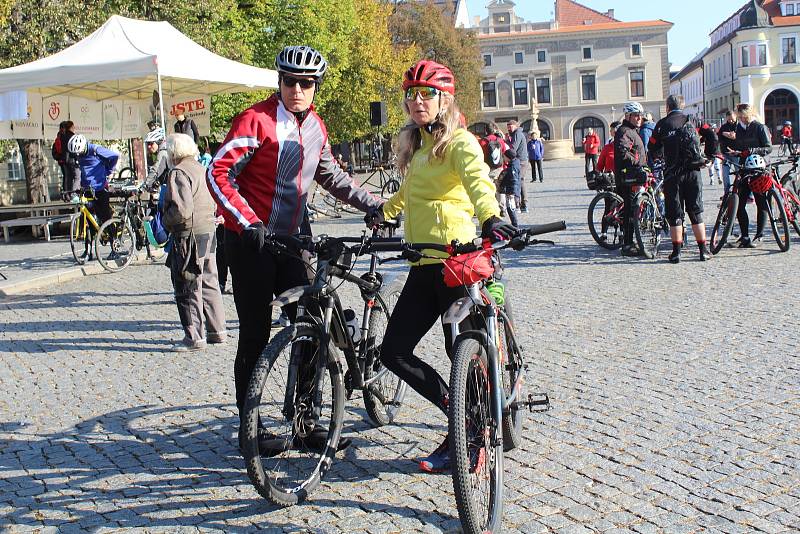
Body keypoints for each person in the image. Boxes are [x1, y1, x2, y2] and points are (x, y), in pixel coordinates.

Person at [208, 45, 383, 453]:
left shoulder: (316, 127)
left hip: (292, 242)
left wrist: (374, 205)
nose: (298, 89)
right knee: (254, 335)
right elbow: (217, 171)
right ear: (280, 82)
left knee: (313, 323)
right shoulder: (257, 120)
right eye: (290, 81)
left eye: (306, 83)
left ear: (315, 87)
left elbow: (331, 176)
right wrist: (246, 221)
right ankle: (249, 429)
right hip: (251, 242)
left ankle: (306, 423)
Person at [365, 59, 513, 473]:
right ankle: (457, 408)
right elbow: (411, 194)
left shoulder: (460, 142)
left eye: (426, 93)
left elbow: (478, 183)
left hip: (458, 262)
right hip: (424, 262)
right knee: (394, 351)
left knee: (460, 351)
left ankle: (471, 437)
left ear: (445, 98)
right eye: (410, 93)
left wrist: (491, 217)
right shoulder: (418, 145)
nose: (417, 101)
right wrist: (383, 211)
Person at [161, 133, 226, 352]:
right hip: (208, 230)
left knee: (188, 285)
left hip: (188, 235)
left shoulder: (179, 172)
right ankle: (217, 331)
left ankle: (194, 337)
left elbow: (181, 210)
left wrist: (164, 219)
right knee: (209, 282)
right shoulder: (201, 169)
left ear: (173, 152)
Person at [649, 94, 711, 263]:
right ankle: (703, 250)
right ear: (682, 106)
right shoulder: (692, 120)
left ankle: (676, 253)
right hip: (693, 172)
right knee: (696, 212)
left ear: (667, 107)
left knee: (675, 214)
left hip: (672, 174)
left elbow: (652, 147)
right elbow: (712, 135)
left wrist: (660, 158)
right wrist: (709, 156)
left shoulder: (662, 124)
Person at [728, 103, 773, 247]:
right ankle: (745, 236)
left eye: (744, 117)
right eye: (740, 117)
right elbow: (741, 147)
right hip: (745, 168)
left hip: (760, 168)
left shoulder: (760, 127)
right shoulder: (740, 128)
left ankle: (759, 235)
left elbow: (768, 147)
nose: (742, 119)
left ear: (749, 114)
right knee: (739, 205)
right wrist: (736, 152)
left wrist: (752, 151)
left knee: (761, 202)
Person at [614, 102, 648, 257]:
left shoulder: (632, 130)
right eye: (636, 115)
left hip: (634, 176)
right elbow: (623, 153)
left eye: (640, 115)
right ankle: (627, 244)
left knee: (633, 209)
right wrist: (637, 162)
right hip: (628, 177)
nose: (639, 118)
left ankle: (632, 240)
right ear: (628, 116)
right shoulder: (624, 131)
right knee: (630, 211)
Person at [66, 134, 118, 232]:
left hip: (100, 186)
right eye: (75, 154)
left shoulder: (94, 150)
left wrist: (110, 171)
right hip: (87, 188)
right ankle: (90, 241)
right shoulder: (77, 155)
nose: (78, 156)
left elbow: (114, 156)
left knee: (105, 215)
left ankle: (113, 238)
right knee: (89, 217)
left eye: (79, 153)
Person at [479, 122, 509, 217]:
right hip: (499, 167)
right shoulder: (500, 140)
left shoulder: (483, 142)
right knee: (500, 188)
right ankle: (502, 208)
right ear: (494, 130)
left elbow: (479, 156)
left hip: (488, 168)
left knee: (488, 188)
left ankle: (491, 208)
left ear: (485, 130)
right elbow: (505, 153)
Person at [506, 120, 529, 212]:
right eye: (507, 126)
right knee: (520, 180)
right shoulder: (517, 133)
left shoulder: (517, 134)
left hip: (520, 161)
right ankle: (523, 204)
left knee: (518, 181)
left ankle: (520, 204)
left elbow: (513, 148)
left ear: (515, 126)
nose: (508, 128)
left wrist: (506, 142)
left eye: (510, 126)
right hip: (521, 160)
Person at [718, 110, 738, 193]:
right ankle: (727, 192)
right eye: (729, 119)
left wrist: (732, 136)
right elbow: (720, 137)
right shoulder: (724, 127)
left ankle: (740, 190)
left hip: (737, 154)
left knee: (739, 174)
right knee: (725, 175)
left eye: (732, 119)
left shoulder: (739, 126)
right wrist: (726, 135)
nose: (731, 121)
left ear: (735, 117)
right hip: (726, 154)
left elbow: (739, 137)